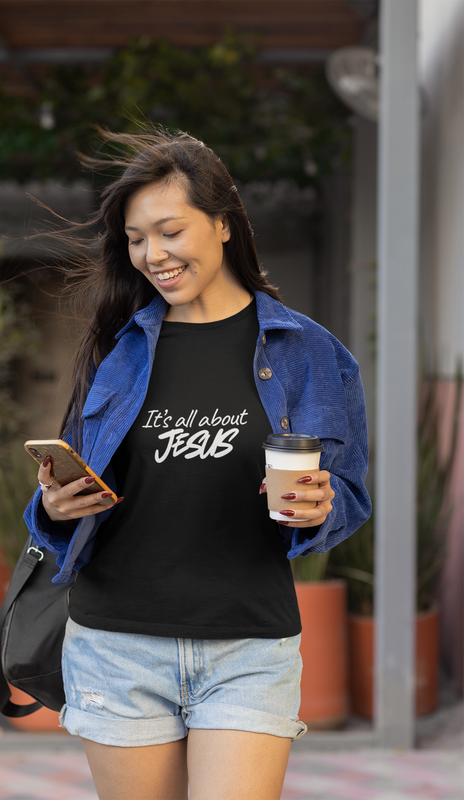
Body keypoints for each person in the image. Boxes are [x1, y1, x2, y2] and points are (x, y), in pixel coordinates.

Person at [24, 129, 371, 800]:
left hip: (246, 646)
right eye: (134, 238)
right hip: (117, 643)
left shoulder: (308, 353)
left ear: (221, 222)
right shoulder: (115, 350)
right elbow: (66, 495)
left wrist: (321, 511)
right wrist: (54, 506)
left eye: (169, 230)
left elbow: (348, 492)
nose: (152, 254)